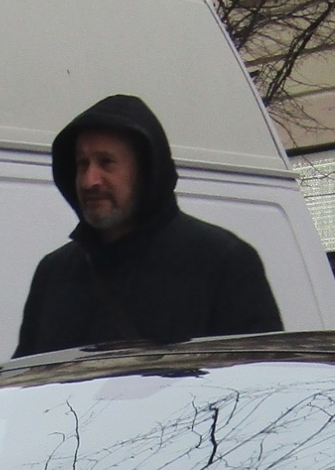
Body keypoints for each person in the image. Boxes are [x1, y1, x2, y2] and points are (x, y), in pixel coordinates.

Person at [15, 94, 285, 356]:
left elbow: (259, 382)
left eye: (106, 163)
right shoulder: (54, 275)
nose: (89, 180)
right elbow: (25, 388)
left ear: (145, 172)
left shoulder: (223, 263)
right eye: (82, 164)